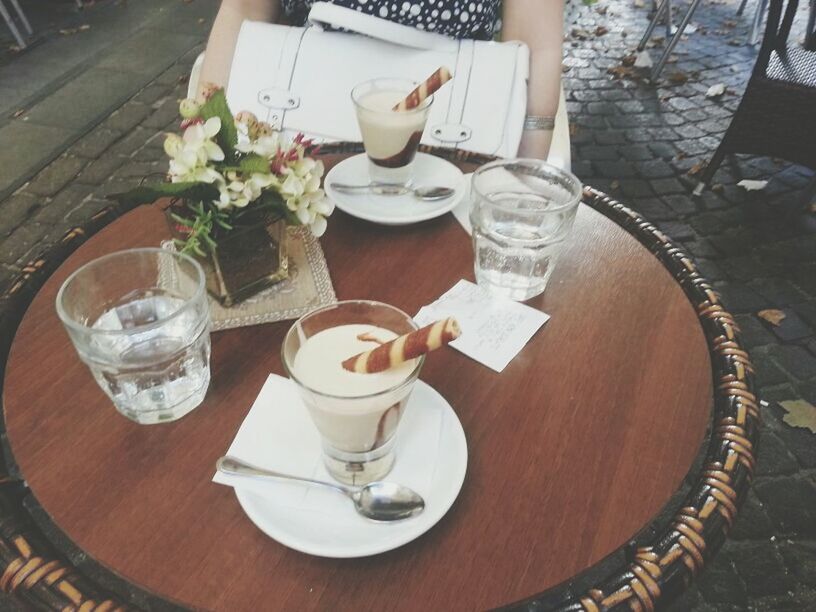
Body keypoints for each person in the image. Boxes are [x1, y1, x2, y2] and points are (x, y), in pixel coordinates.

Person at [199, 0, 564, 159]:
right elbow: (243, 10)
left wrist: (522, 178)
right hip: (296, 152)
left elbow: (536, 44)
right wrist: (200, 141)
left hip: (455, 151)